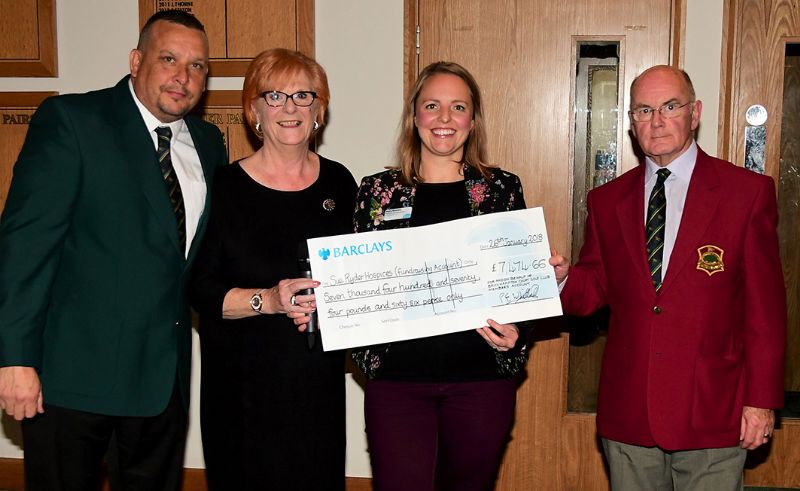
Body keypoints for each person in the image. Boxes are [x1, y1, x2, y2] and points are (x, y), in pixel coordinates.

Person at [0, 9, 227, 491]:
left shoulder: (208, 144)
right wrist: (14, 358)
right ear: (136, 59)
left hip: (163, 383)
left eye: (197, 66)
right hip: (70, 379)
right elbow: (25, 245)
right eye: (169, 59)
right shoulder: (73, 121)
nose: (183, 77)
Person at [550, 65, 786, 490]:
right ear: (631, 121)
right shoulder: (607, 201)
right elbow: (594, 288)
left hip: (713, 408)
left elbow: (765, 310)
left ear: (694, 113)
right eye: (643, 110)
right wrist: (564, 280)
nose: (656, 121)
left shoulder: (745, 194)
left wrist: (761, 401)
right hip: (630, 412)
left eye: (669, 107)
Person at [350, 61, 529, 491]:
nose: (445, 119)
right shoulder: (377, 192)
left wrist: (520, 328)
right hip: (397, 384)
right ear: (415, 117)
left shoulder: (502, 190)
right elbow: (356, 281)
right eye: (432, 106)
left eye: (458, 107)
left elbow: (520, 286)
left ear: (473, 119)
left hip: (481, 381)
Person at [189, 48, 356, 490]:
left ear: (319, 109)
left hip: (316, 382)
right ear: (253, 110)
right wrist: (270, 301)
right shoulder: (222, 187)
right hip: (242, 388)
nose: (290, 108)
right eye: (275, 95)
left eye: (303, 95)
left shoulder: (342, 183)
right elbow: (199, 289)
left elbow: (361, 274)